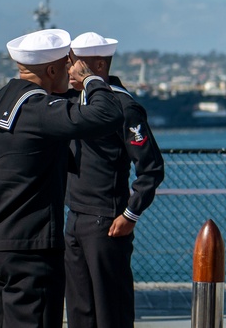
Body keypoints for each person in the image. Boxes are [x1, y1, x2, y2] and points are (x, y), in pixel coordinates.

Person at [0, 29, 124, 328]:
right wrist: (90, 78)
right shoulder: (38, 109)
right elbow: (107, 115)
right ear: (53, 69)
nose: (70, 72)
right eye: (67, 66)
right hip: (32, 249)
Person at [63, 32, 165, 328]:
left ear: (96, 64)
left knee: (111, 311)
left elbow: (151, 167)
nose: (70, 69)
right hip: (75, 217)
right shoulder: (73, 104)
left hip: (106, 221)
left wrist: (130, 214)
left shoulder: (123, 106)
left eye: (75, 62)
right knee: (80, 311)